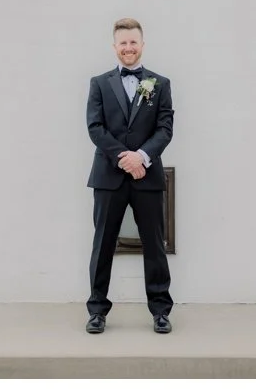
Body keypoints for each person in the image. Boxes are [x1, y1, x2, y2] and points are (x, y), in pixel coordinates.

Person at [85, 17, 174, 335]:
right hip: (109, 176)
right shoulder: (98, 83)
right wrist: (125, 159)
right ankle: (97, 310)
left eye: (133, 42)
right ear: (115, 46)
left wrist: (143, 158)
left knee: (154, 245)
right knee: (103, 244)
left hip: (147, 177)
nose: (128, 47)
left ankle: (161, 311)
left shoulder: (159, 84)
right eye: (123, 43)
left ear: (142, 44)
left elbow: (165, 128)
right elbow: (95, 128)